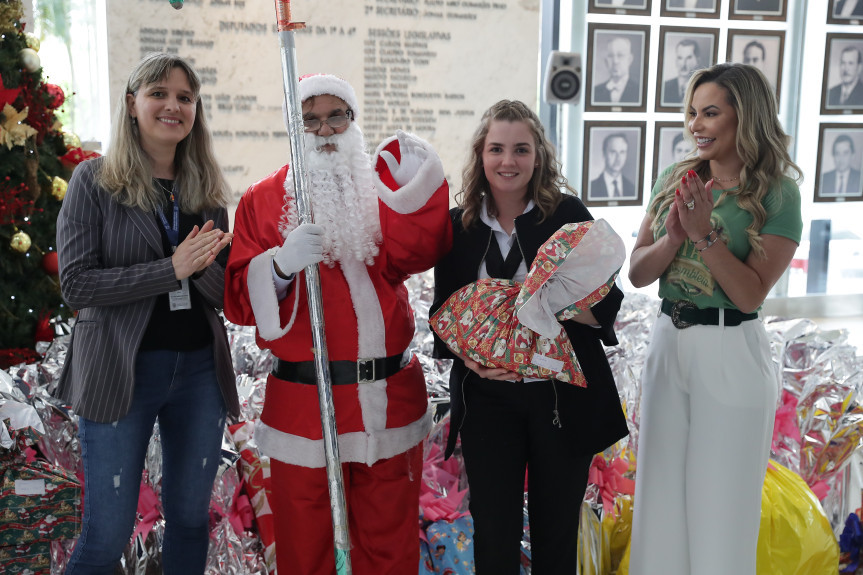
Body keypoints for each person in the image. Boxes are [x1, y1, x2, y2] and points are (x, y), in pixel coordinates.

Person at [223, 73, 451, 575]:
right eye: (310, 120)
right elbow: (238, 302)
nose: (324, 131)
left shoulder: (379, 192)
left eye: (336, 116)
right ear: (294, 128)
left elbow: (420, 251)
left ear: (352, 122)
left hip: (386, 405)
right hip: (306, 410)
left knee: (389, 551)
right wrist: (279, 268)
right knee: (308, 554)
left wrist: (418, 186)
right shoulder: (262, 201)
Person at [55, 52, 238, 574]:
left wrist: (203, 270)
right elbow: (76, 283)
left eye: (185, 97)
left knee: (188, 519)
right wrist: (171, 269)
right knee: (106, 536)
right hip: (120, 371)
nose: (173, 106)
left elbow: (225, 293)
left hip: (199, 371)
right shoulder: (93, 181)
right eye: (159, 94)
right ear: (132, 103)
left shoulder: (206, 192)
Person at [430, 100, 628, 574]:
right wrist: (472, 360)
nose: (508, 161)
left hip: (558, 401)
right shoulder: (460, 227)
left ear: (538, 155)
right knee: (494, 539)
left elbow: (607, 306)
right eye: (497, 149)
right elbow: (444, 315)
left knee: (555, 536)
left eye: (521, 149)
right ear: (481, 154)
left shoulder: (567, 215)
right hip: (487, 400)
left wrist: (552, 301)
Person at [628, 62, 802, 575]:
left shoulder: (778, 192)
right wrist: (675, 237)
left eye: (710, 113)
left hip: (730, 349)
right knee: (659, 502)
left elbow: (750, 295)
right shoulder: (674, 179)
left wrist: (704, 234)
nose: (695, 125)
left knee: (721, 510)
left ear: (743, 117)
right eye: (691, 113)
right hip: (668, 341)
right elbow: (638, 273)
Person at [593, 36, 640, 105]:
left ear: (629, 59)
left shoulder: (640, 90)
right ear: (606, 61)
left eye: (620, 55)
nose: (615, 61)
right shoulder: (595, 92)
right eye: (610, 56)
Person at [590, 133, 636, 199]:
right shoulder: (591, 188)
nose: (618, 158)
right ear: (604, 153)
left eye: (622, 152)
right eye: (613, 152)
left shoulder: (632, 188)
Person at [663, 39, 701, 106]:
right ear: (676, 61)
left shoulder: (704, 88)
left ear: (697, 61)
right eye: (680, 58)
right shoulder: (664, 87)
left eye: (688, 58)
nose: (683, 64)